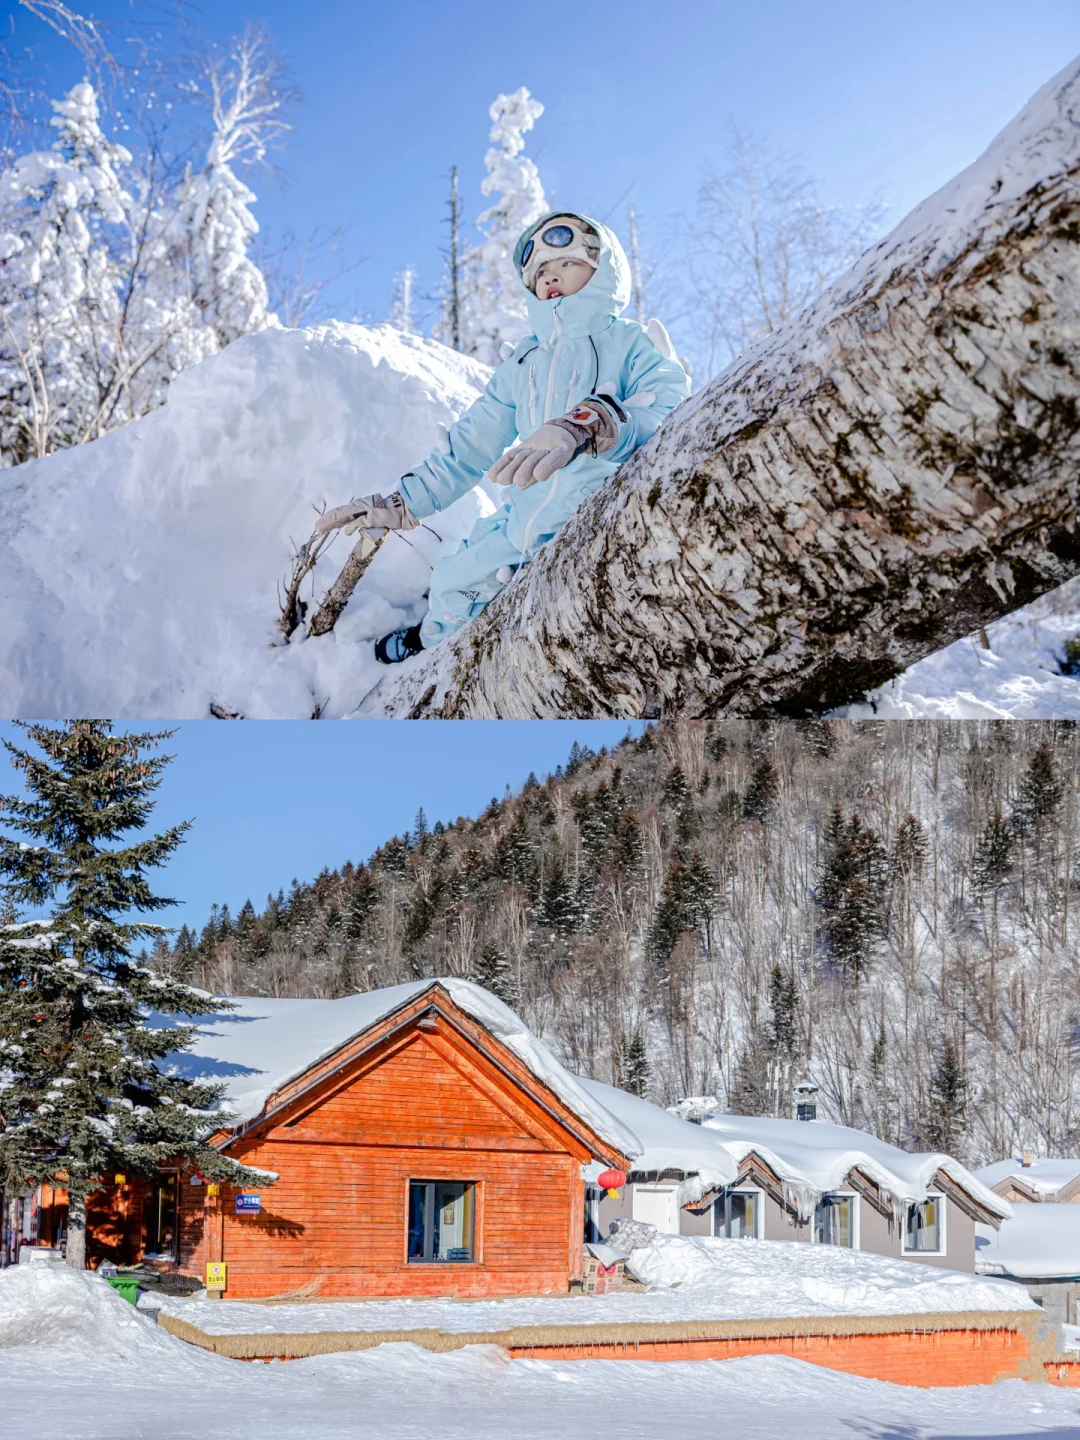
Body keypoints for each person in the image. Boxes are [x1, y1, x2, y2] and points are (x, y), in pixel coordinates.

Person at [314, 212, 690, 663]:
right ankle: (429, 648)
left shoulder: (628, 342)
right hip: (521, 525)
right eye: (539, 274)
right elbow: (471, 446)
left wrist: (593, 424)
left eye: (564, 265)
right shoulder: (524, 362)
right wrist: (402, 503)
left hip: (599, 515)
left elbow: (669, 408)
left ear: (603, 267)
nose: (549, 279)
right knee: (452, 579)